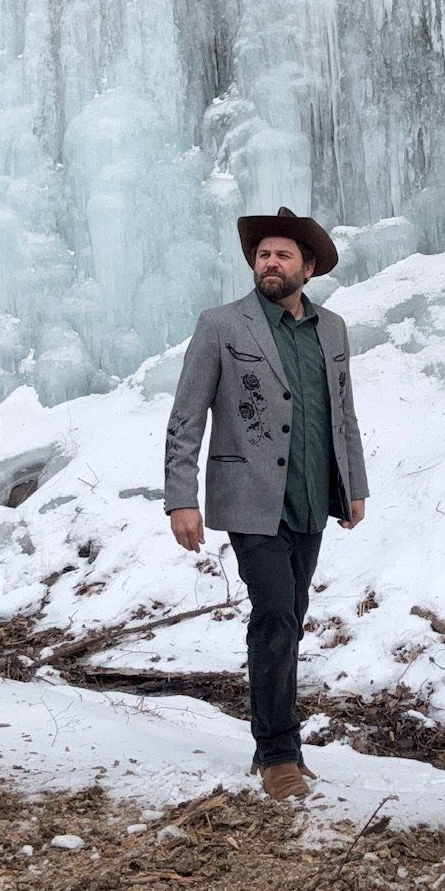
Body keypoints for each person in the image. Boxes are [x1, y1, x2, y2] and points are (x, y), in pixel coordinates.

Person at [164, 207, 370, 801]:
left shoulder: (332, 330)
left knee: (292, 617)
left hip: (311, 496)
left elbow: (343, 413)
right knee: (275, 615)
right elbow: (186, 415)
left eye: (283, 255)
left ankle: (281, 744)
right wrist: (181, 497)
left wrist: (353, 483)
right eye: (262, 255)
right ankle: (277, 751)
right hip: (249, 499)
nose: (270, 263)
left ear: (309, 268)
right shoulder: (221, 325)